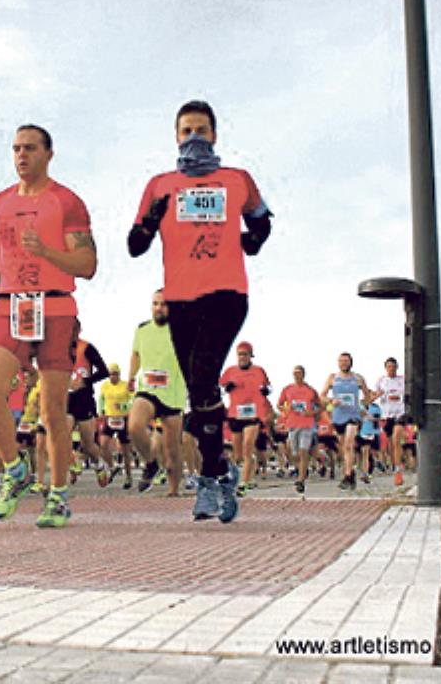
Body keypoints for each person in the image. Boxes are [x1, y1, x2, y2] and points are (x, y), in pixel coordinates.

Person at [128, 100, 272, 523]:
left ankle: (211, 477)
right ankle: (216, 473)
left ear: (215, 135)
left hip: (227, 291)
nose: (194, 138)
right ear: (176, 137)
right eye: (186, 131)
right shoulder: (160, 184)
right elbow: (135, 246)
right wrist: (152, 219)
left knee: (206, 372)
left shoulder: (236, 179)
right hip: (180, 297)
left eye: (201, 130)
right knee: (200, 390)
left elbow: (262, 220)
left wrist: (253, 240)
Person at [0, 124, 96, 529]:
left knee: (53, 411)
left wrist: (48, 252)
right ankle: (15, 469)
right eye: (16, 149)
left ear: (49, 154)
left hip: (56, 307)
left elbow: (88, 265)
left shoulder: (67, 201)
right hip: (11, 306)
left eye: (30, 148)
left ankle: (57, 495)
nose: (22, 156)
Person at [128, 291, 188, 498]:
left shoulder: (182, 329)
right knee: (134, 426)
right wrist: (130, 376)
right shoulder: (142, 329)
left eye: (163, 304)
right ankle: (151, 462)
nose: (159, 308)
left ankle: (173, 491)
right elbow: (135, 354)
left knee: (172, 449)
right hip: (148, 388)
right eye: (155, 304)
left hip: (173, 392)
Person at [220, 342, 271, 494]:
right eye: (240, 354)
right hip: (236, 414)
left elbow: (269, 386)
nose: (242, 357)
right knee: (238, 454)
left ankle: (244, 483)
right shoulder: (230, 371)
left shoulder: (259, 371)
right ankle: (249, 469)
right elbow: (221, 386)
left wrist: (266, 390)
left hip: (253, 415)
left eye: (245, 354)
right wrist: (227, 387)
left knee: (248, 446)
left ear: (250, 356)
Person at [321, 352, 372, 491]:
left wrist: (363, 407)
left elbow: (367, 397)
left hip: (353, 416)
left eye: (346, 361)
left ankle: (347, 475)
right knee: (344, 448)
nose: (344, 363)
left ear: (351, 362)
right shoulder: (333, 378)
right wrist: (332, 400)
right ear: (338, 363)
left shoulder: (358, 378)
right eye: (341, 361)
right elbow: (322, 396)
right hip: (338, 416)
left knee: (349, 444)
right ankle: (350, 473)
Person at [66, 337, 112, 486]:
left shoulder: (86, 348)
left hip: (84, 399)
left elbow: (104, 372)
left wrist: (85, 381)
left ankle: (99, 465)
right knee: (61, 435)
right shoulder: (57, 348)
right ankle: (73, 462)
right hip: (65, 399)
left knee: (88, 444)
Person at [277, 365, 320, 493]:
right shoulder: (287, 389)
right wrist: (286, 410)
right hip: (292, 424)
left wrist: (311, 412)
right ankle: (301, 468)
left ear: (303, 374)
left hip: (307, 425)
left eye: (299, 373)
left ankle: (301, 479)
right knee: (293, 453)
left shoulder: (310, 390)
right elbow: (279, 404)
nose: (297, 375)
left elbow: (320, 406)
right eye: (294, 373)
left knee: (303, 451)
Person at [372, 357, 409, 486]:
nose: (391, 369)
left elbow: (408, 394)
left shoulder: (402, 380)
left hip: (400, 413)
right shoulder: (381, 381)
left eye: (393, 367)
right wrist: (375, 396)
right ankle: (396, 465)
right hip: (387, 415)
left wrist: (401, 397)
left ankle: (398, 470)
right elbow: (374, 395)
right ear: (386, 368)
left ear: (397, 367)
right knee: (390, 446)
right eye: (389, 367)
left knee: (396, 439)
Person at [97, 363, 133, 487]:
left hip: (123, 418)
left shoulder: (126, 385)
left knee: (126, 451)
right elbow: (101, 399)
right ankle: (113, 467)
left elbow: (133, 400)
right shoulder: (105, 386)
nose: (113, 377)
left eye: (115, 374)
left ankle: (128, 478)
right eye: (111, 374)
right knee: (103, 445)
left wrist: (124, 406)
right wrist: (100, 410)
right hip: (109, 418)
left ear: (119, 374)